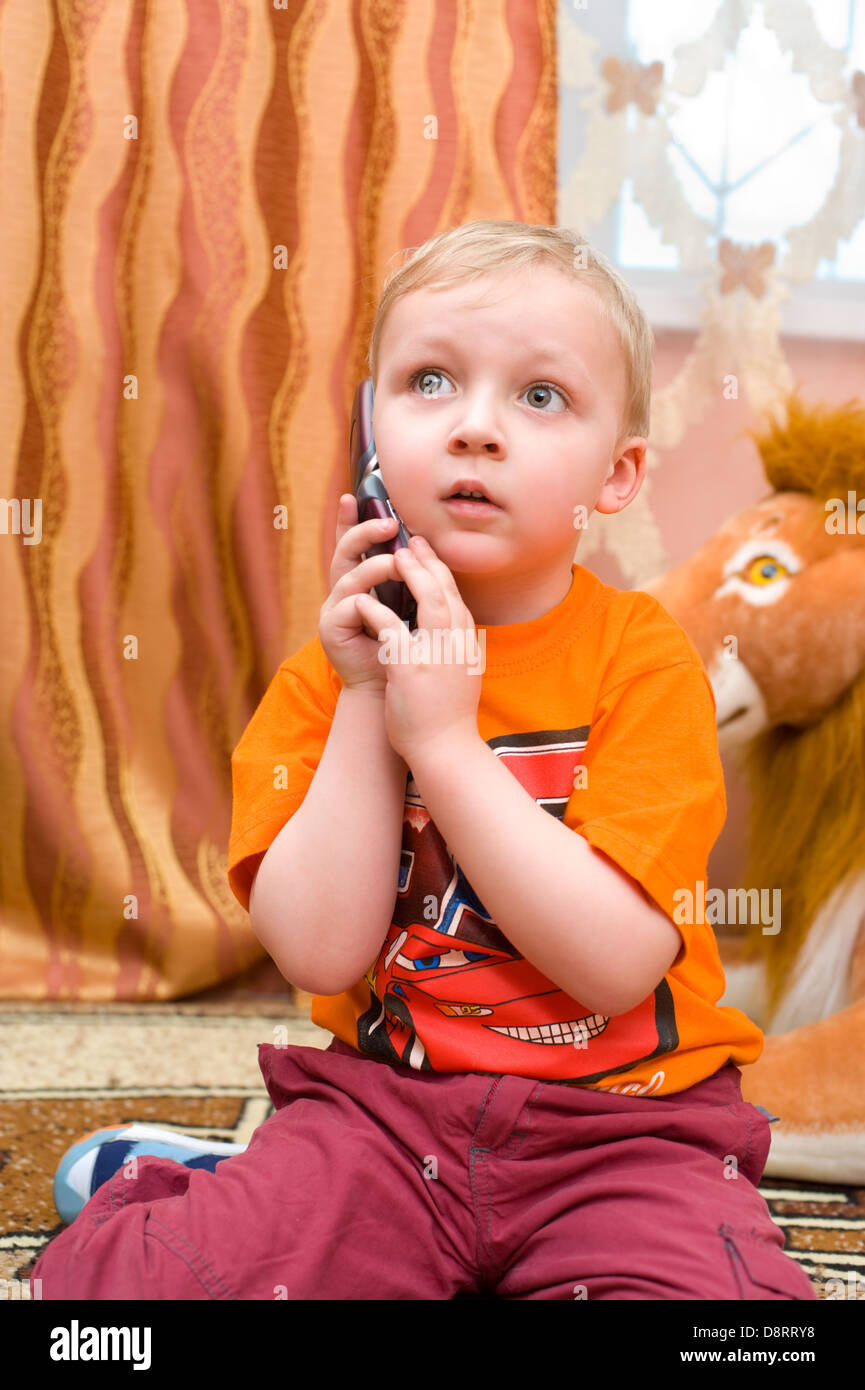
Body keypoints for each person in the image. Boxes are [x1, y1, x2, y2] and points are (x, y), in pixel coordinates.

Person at [32, 219, 816, 1300]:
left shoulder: (644, 663)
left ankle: (242, 1182)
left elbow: (615, 963)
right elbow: (317, 949)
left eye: (539, 397)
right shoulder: (322, 679)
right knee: (118, 1299)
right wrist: (369, 702)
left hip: (625, 1134)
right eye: (430, 381)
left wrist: (444, 745)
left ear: (618, 474)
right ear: (370, 430)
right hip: (386, 1118)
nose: (475, 430)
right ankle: (212, 1192)